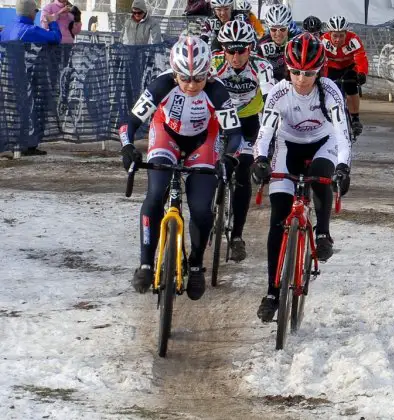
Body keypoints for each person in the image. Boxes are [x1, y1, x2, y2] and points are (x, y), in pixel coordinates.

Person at [120, 36, 244, 301]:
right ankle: (145, 264)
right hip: (166, 136)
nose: (190, 85)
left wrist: (229, 158)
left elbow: (235, 135)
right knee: (155, 194)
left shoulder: (216, 91)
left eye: (198, 78)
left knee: (201, 208)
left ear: (208, 73)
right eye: (184, 78)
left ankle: (197, 264)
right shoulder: (162, 85)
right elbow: (129, 122)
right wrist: (128, 146)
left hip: (203, 141)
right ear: (174, 72)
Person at [252, 33, 351, 322]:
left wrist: (343, 167)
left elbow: (343, 136)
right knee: (278, 216)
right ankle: (272, 291)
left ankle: (322, 233)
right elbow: (265, 133)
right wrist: (260, 159)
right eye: (295, 72)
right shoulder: (279, 92)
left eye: (308, 73)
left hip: (323, 143)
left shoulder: (330, 91)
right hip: (288, 145)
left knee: (322, 173)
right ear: (288, 69)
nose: (301, 79)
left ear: (319, 70)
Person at [212, 20, 276, 261]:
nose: (236, 56)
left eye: (241, 50)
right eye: (230, 50)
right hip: (220, 118)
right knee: (208, 167)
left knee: (242, 176)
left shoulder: (262, 66)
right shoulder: (214, 62)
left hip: (249, 122)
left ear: (250, 48)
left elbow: (271, 98)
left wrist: (270, 132)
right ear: (223, 49)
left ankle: (237, 236)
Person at [1, 0, 62, 156]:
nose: (35, 13)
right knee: (28, 110)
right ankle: (27, 146)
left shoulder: (8, 29)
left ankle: (14, 143)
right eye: (35, 11)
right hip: (24, 77)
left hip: (7, 75)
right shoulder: (29, 30)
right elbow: (55, 37)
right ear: (29, 12)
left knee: (10, 111)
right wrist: (53, 22)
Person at [321, 16, 368, 137]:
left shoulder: (353, 40)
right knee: (326, 89)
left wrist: (362, 73)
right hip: (331, 67)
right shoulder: (323, 41)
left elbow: (361, 57)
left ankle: (355, 118)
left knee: (351, 85)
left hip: (349, 67)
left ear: (346, 33)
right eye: (335, 36)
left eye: (341, 35)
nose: (338, 39)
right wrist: (322, 78)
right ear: (329, 33)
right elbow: (320, 61)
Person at [256, 3, 302, 82]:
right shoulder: (262, 45)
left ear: (288, 28)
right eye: (273, 30)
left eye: (282, 29)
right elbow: (257, 70)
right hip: (270, 81)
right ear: (269, 29)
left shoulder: (296, 41)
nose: (278, 34)